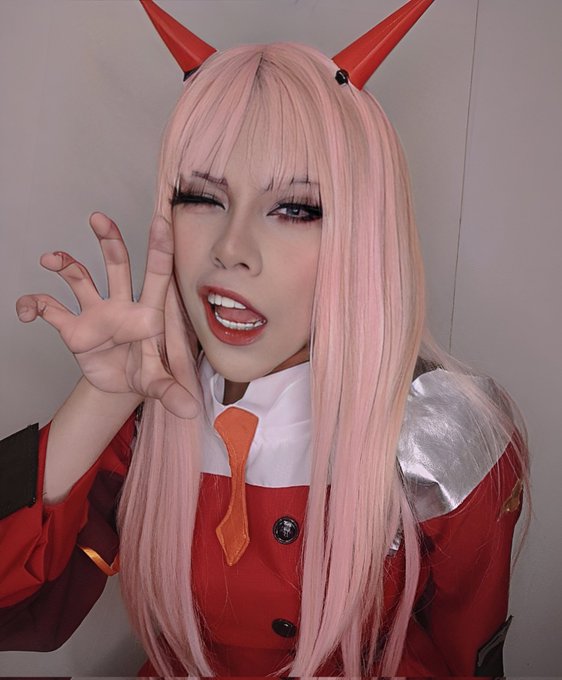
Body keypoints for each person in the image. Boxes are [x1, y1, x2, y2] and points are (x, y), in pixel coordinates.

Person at [0, 0, 528, 675]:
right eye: (202, 198)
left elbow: (465, 654)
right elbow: (18, 613)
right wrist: (99, 402)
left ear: (365, 233)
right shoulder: (142, 422)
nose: (231, 249)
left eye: (295, 208)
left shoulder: (447, 436)